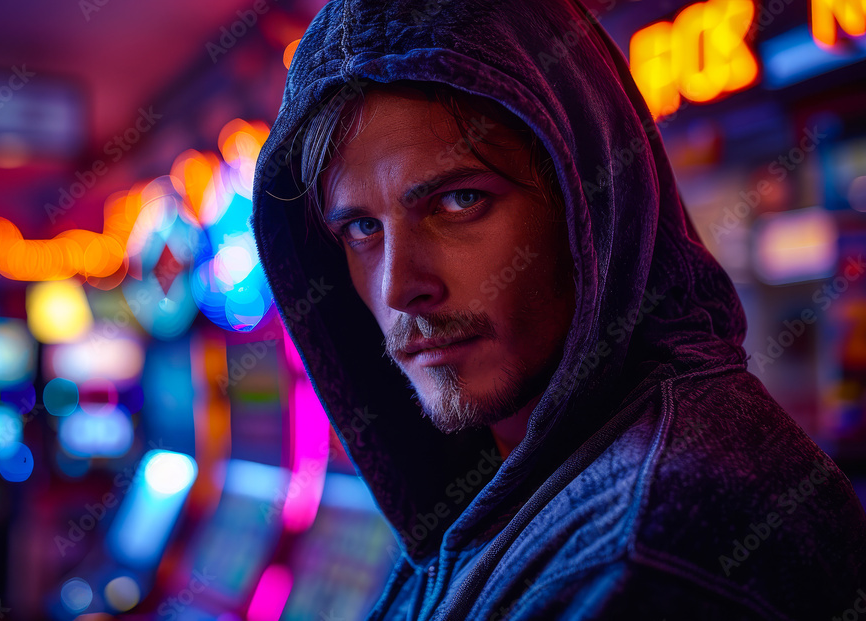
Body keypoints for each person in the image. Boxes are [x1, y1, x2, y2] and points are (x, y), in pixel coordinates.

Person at [250, 0, 866, 618]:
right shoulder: (499, 483)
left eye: (459, 200)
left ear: (591, 202)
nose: (396, 288)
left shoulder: (649, 553)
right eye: (360, 229)